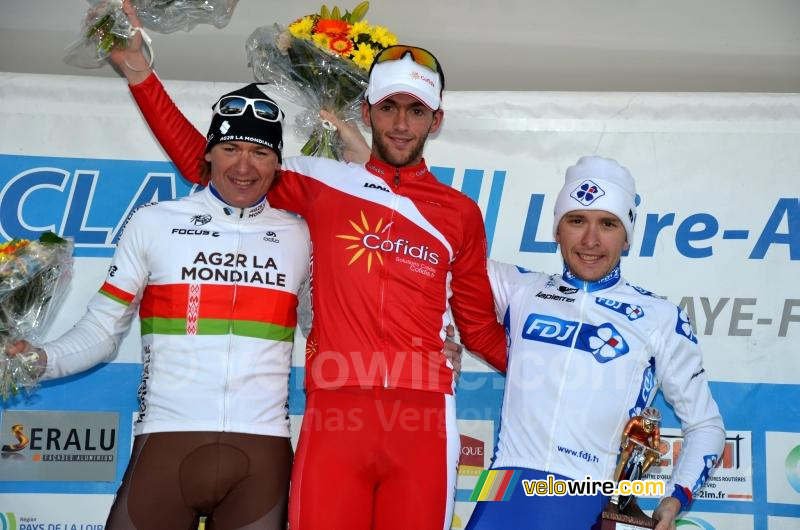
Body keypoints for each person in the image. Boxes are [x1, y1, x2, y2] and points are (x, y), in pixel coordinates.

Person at [109, 4, 507, 529]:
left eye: (416, 110)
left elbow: (478, 326)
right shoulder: (324, 182)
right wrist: (141, 75)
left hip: (425, 418)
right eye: (389, 107)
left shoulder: (459, 212)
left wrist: (557, 371)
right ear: (366, 112)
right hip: (336, 413)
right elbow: (208, 163)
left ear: (437, 119)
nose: (402, 123)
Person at [6, 86, 309, 529]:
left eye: (259, 153)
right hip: (168, 439)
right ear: (207, 155)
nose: (243, 166)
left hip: (262, 450)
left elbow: (329, 325)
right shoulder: (155, 222)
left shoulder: (299, 235)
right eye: (229, 149)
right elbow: (102, 330)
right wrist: (38, 360)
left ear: (278, 163)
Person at [466, 156, 725, 529]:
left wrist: (676, 496)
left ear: (626, 237)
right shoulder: (522, 289)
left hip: (584, 496)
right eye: (576, 221)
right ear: (557, 230)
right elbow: (427, 235)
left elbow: (706, 425)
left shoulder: (659, 317)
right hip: (503, 488)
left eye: (607, 224)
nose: (590, 240)